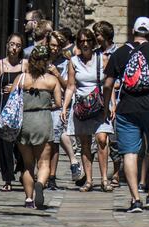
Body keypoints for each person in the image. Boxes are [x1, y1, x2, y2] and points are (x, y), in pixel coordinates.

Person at [103, 16, 149, 212]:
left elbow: (107, 84)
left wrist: (107, 106)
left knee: (129, 153)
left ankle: (135, 199)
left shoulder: (120, 53)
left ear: (133, 31)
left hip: (127, 108)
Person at [61, 28, 114, 192]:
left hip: (99, 104)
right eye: (81, 41)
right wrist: (65, 108)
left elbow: (108, 84)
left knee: (102, 139)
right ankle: (89, 180)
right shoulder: (74, 62)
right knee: (84, 143)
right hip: (82, 106)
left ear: (93, 42)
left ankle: (104, 179)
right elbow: (70, 86)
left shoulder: (102, 59)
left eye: (88, 40)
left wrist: (111, 105)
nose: (85, 44)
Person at [12, 45, 62, 209]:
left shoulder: (21, 78)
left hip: (24, 121)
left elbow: (12, 100)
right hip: (43, 121)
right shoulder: (51, 80)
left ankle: (28, 199)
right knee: (44, 162)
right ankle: (40, 183)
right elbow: (58, 104)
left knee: (27, 164)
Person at [0, 33, 27, 191]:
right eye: (12, 44)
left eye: (18, 45)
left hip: (19, 108)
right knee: (3, 144)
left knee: (21, 143)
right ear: (7, 45)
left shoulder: (25, 64)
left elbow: (31, 83)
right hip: (3, 107)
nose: (14, 48)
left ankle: (23, 170)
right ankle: (7, 179)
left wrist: (15, 87)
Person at [46, 31, 82, 190]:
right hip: (41, 103)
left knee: (54, 141)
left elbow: (68, 86)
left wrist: (55, 74)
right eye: (52, 45)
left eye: (58, 46)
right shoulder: (40, 58)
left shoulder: (66, 61)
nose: (55, 49)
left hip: (57, 104)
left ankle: (51, 177)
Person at [92, 20, 121, 188]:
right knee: (101, 139)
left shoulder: (118, 53)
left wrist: (111, 85)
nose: (96, 37)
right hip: (99, 100)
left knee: (115, 140)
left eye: (98, 34)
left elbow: (123, 79)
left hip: (116, 100)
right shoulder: (95, 54)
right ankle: (103, 176)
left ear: (106, 35)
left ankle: (116, 172)